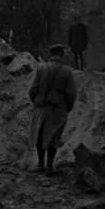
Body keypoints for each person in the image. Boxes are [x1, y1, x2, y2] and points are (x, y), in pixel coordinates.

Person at [29, 44, 77, 175]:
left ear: (51, 55)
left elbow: (33, 89)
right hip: (57, 109)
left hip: (41, 108)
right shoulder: (67, 71)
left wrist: (37, 102)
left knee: (40, 136)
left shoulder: (41, 68)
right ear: (61, 54)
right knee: (53, 137)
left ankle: (40, 165)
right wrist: (67, 107)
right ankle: (50, 167)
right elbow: (71, 94)